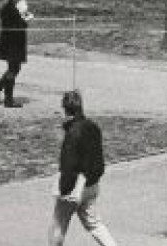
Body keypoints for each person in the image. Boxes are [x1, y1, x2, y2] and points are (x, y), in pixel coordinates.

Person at [50, 90, 118, 246]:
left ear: (65, 109)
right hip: (92, 185)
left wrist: (63, 190)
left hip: (74, 187)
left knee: (58, 226)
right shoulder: (93, 126)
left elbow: (69, 165)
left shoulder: (73, 133)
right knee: (95, 225)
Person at [0, 0, 33, 108]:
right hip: (14, 42)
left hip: (7, 41)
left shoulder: (6, 7)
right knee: (13, 69)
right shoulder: (17, 8)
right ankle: (8, 100)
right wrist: (26, 14)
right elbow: (25, 22)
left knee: (13, 68)